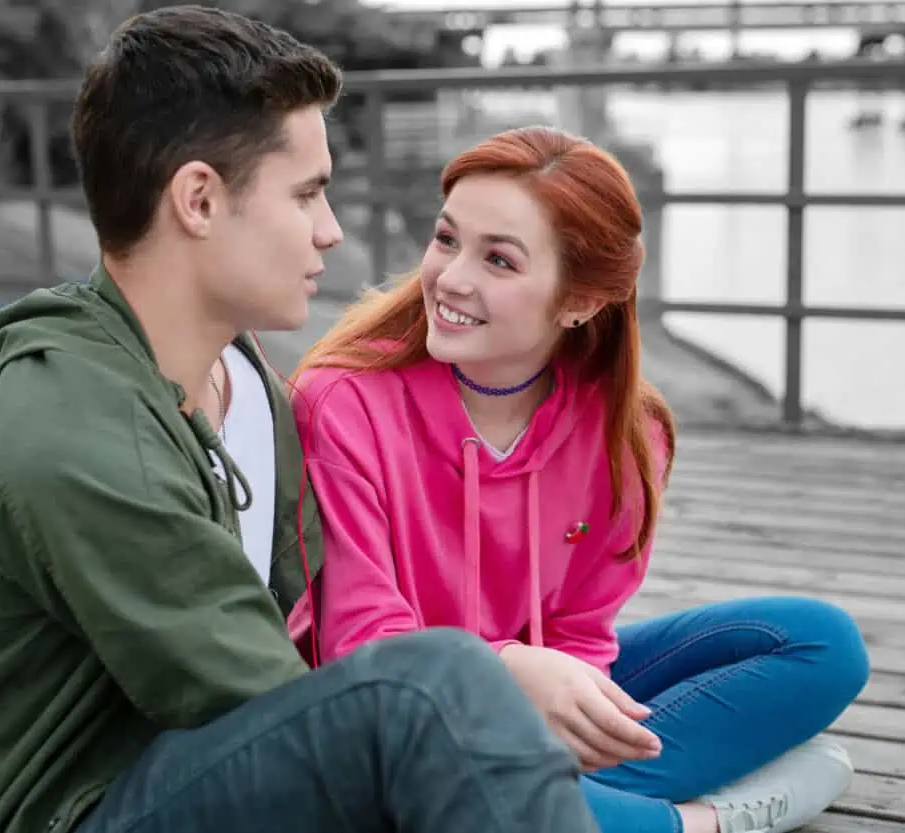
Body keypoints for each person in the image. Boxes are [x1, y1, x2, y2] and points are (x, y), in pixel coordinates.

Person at [0, 9, 601, 833]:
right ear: (201, 200)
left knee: (729, 643)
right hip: (50, 812)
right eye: (308, 193)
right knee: (438, 688)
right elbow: (294, 714)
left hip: (168, 769)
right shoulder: (70, 429)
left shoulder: (244, 379)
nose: (332, 228)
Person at [286, 126, 872, 833]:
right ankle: (697, 823)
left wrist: (539, 710)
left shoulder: (626, 434)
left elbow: (580, 635)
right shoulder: (342, 402)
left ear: (580, 301)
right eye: (446, 239)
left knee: (820, 642)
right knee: (421, 778)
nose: (451, 277)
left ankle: (536, 806)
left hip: (523, 714)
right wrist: (504, 667)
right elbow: (359, 642)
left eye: (498, 259)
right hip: (383, 717)